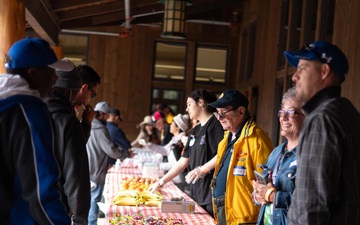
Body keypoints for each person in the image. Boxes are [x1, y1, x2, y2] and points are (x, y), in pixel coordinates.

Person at [284, 41, 360, 225]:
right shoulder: (347, 112)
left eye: (302, 68)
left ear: (324, 71)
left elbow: (312, 207)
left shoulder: (322, 119)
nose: (295, 76)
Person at [0, 37, 74, 224]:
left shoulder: (5, 103)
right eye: (52, 71)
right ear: (33, 73)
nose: (56, 79)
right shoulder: (29, 113)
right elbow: (41, 190)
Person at [185, 89, 273, 224]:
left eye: (223, 113)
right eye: (217, 113)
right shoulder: (227, 138)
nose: (219, 118)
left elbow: (266, 181)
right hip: (224, 210)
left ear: (241, 111)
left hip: (244, 217)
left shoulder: (257, 139)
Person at [149, 89, 224, 217]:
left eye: (189, 104)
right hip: (196, 192)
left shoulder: (216, 125)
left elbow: (223, 154)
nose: (186, 109)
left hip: (211, 193)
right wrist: (161, 182)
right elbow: (183, 161)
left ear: (200, 102)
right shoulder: (195, 130)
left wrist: (203, 169)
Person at [252, 87, 304, 225]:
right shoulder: (276, 151)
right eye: (281, 112)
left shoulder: (308, 155)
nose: (283, 118)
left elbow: (311, 202)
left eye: (291, 112)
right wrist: (258, 195)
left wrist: (272, 196)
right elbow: (264, 190)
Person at [47, 61, 90, 225]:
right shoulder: (68, 122)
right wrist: (80, 220)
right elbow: (76, 178)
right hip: (54, 210)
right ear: (69, 90)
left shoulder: (28, 113)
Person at [86, 101, 130, 225]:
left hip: (88, 168)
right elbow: (110, 150)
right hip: (97, 170)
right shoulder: (100, 129)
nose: (107, 118)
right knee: (94, 201)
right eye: (106, 115)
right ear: (100, 114)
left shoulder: (88, 125)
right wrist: (124, 155)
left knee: (89, 201)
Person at [142, 113, 190, 191]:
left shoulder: (180, 142)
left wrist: (157, 166)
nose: (170, 125)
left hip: (178, 180)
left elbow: (175, 164)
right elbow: (165, 150)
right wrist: (149, 145)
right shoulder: (175, 139)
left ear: (178, 127)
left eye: (172, 124)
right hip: (173, 178)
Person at [73, 64, 101, 139]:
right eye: (92, 94)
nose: (89, 99)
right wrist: (87, 122)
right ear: (84, 88)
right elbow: (76, 146)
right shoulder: (65, 110)